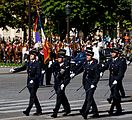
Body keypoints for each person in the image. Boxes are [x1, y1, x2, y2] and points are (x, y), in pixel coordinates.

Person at [10, 50, 42, 116]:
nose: (30, 56)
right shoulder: (28, 63)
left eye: (32, 55)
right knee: (34, 96)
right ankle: (39, 110)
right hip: (29, 82)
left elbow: (38, 74)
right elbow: (22, 68)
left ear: (35, 56)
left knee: (32, 97)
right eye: (30, 55)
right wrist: (14, 70)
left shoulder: (37, 64)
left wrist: (33, 79)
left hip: (34, 82)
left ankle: (28, 110)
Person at [102, 48, 126, 116]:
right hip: (111, 80)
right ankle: (119, 109)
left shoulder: (121, 61)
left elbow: (121, 73)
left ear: (117, 54)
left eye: (114, 53)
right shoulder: (110, 60)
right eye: (111, 52)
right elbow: (105, 66)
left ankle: (112, 109)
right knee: (116, 95)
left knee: (115, 94)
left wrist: (117, 80)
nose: (112, 54)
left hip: (117, 80)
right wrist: (100, 70)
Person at [50, 49, 71, 118]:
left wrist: (64, 84)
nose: (58, 59)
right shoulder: (56, 64)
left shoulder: (66, 66)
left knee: (59, 97)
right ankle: (67, 109)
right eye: (58, 57)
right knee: (62, 97)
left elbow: (67, 78)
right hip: (56, 83)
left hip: (62, 83)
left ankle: (55, 112)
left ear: (63, 58)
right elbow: (50, 68)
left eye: (60, 58)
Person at [80, 50, 100, 119]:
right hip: (86, 83)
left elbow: (97, 76)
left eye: (88, 56)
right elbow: (81, 70)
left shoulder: (95, 65)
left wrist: (94, 83)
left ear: (91, 56)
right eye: (86, 55)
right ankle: (95, 112)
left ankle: (85, 112)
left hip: (92, 84)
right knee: (90, 97)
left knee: (89, 98)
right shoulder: (86, 63)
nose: (87, 57)